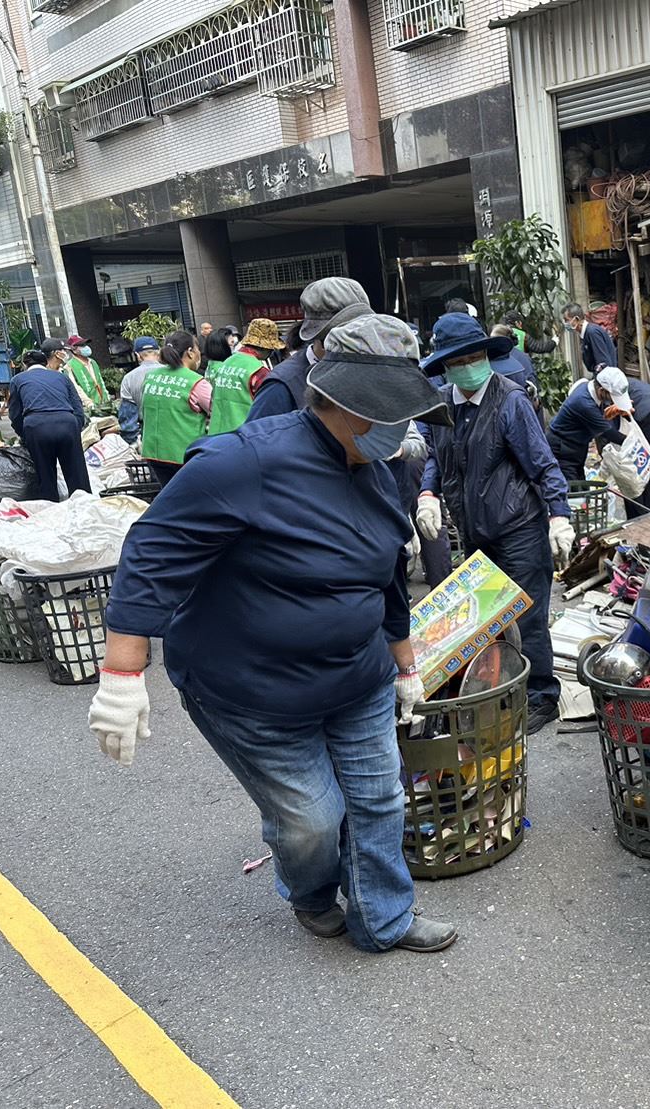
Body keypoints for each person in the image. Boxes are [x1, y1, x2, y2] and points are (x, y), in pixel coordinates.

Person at [87, 314, 458, 954]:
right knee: (312, 822)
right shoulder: (245, 462)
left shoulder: (373, 471)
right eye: (392, 413)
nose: (404, 429)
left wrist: (404, 663)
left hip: (357, 676)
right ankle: (311, 893)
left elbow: (387, 575)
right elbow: (151, 552)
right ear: (351, 409)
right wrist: (123, 675)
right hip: (254, 694)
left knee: (379, 802)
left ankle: (384, 919)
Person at [417, 316, 572, 736]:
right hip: (473, 530)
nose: (470, 365)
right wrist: (427, 494)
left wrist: (559, 514)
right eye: (460, 360)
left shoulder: (510, 400)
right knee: (487, 619)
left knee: (528, 616)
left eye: (476, 356)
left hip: (518, 526)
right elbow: (435, 456)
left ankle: (541, 696)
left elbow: (543, 463)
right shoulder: (440, 407)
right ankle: (504, 689)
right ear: (445, 366)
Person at [547, 365, 650, 515]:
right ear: (601, 391)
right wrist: (635, 445)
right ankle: (572, 530)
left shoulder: (594, 397)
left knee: (582, 491)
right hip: (562, 449)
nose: (613, 401)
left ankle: (641, 516)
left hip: (576, 447)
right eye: (613, 396)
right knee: (573, 493)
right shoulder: (583, 402)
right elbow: (609, 433)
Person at [248, 277, 372, 421]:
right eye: (348, 334)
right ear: (322, 336)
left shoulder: (365, 369)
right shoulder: (282, 384)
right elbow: (258, 438)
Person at [7, 345, 89, 501]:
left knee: (45, 476)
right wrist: (75, 428)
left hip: (37, 427)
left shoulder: (17, 380)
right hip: (67, 424)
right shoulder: (61, 377)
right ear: (46, 364)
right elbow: (78, 407)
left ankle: (51, 509)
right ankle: (86, 508)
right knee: (77, 475)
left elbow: (15, 414)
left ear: (25, 366)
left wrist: (25, 434)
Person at [140, 330, 211, 488]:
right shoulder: (196, 382)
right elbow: (217, 412)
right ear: (190, 352)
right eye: (197, 349)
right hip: (185, 455)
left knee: (170, 497)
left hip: (154, 452)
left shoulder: (151, 377)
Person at [207, 318, 284, 437]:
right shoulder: (258, 372)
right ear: (264, 347)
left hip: (217, 434)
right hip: (245, 437)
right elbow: (270, 409)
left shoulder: (226, 363)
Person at [117, 336, 161, 445]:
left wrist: (132, 443)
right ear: (159, 352)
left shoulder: (129, 378)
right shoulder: (173, 374)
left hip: (148, 436)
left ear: (137, 355)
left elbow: (128, 418)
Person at [562, 303, 618, 377]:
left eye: (567, 320)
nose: (566, 324)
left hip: (606, 378)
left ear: (576, 319)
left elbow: (604, 363)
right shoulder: (586, 334)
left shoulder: (592, 333)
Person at [63, 333, 108, 412]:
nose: (86, 347)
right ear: (74, 349)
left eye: (85, 344)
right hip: (88, 408)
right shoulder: (69, 367)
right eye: (82, 345)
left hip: (103, 404)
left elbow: (101, 382)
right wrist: (90, 404)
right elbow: (76, 389)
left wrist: (107, 398)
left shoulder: (92, 362)